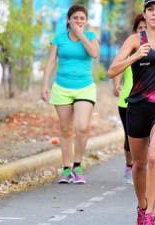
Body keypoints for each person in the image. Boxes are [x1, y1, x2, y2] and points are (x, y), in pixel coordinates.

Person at [107, 0, 155, 224]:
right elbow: (112, 70)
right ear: (144, 13)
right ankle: (141, 206)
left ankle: (150, 213)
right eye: (150, 9)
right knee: (139, 163)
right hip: (138, 107)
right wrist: (135, 55)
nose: (154, 13)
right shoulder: (134, 40)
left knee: (154, 156)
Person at [41, 5, 100, 184]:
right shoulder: (58, 39)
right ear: (68, 20)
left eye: (82, 18)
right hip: (62, 87)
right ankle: (66, 169)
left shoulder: (90, 37)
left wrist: (80, 34)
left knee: (82, 127)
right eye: (75, 18)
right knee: (66, 129)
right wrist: (45, 85)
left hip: (85, 87)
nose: (79, 21)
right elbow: (51, 63)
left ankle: (78, 165)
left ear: (86, 21)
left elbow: (94, 54)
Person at [112, 14, 147, 185]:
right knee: (129, 137)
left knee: (146, 138)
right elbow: (116, 68)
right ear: (135, 31)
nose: (143, 31)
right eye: (140, 28)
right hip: (127, 100)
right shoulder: (130, 50)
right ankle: (129, 165)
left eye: (145, 27)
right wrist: (116, 85)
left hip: (148, 101)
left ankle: (142, 167)